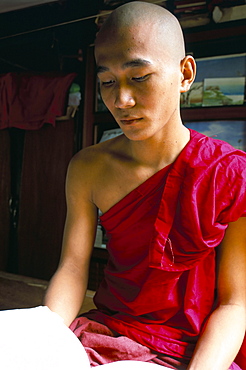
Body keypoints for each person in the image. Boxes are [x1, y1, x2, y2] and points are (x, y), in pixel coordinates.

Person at [43, 2, 246, 369]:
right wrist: (43, 337)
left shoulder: (229, 174)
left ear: (185, 74)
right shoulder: (89, 167)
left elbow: (235, 303)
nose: (121, 100)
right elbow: (73, 267)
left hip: (192, 349)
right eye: (107, 82)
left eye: (138, 77)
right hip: (107, 335)